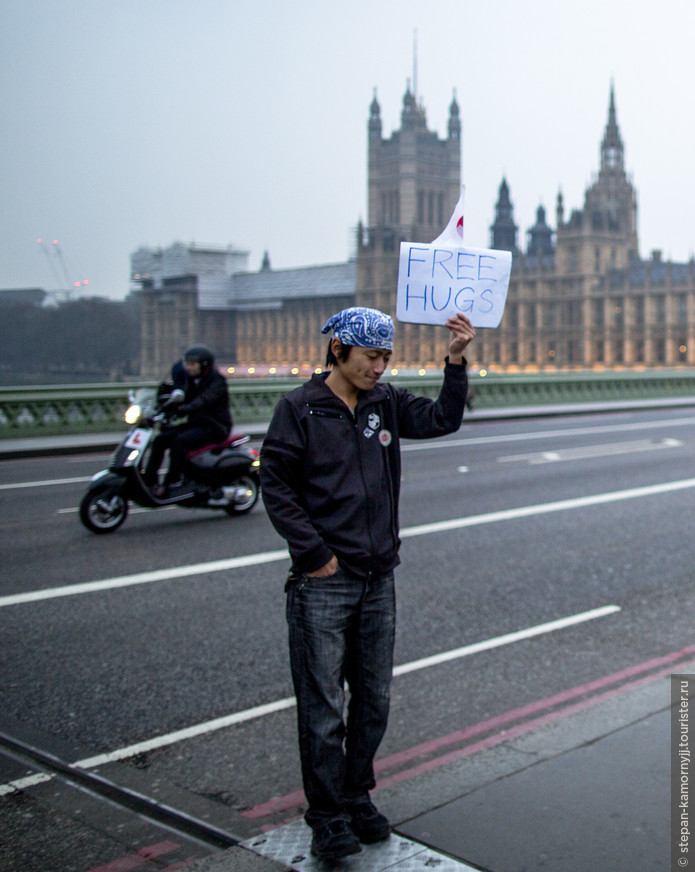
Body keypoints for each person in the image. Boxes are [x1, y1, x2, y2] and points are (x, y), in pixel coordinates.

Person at [259, 306, 476, 860]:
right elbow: (277, 488)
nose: (380, 368)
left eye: (386, 358)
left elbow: (441, 420)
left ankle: (356, 797)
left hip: (380, 577)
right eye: (371, 357)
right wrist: (313, 555)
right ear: (338, 351)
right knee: (324, 706)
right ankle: (327, 814)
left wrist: (455, 362)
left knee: (373, 700)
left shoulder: (385, 402)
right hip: (324, 584)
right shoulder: (299, 409)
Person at [144, 345, 232, 498]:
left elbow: (204, 400)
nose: (188, 367)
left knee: (180, 442)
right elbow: (178, 395)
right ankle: (150, 480)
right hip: (197, 423)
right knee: (160, 440)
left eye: (192, 364)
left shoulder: (217, 381)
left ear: (203, 365)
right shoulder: (190, 380)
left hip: (215, 426)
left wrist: (185, 409)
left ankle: (171, 482)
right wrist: (163, 407)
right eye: (188, 364)